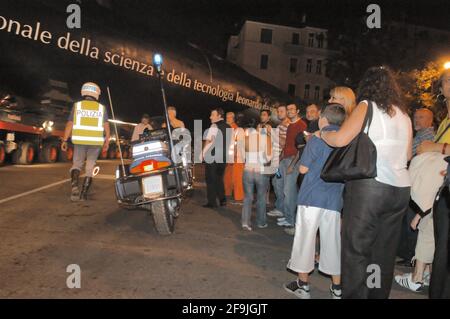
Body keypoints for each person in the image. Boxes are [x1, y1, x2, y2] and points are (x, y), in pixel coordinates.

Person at [321, 66, 413, 299]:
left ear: (367, 85)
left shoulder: (367, 106)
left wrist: (324, 132)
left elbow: (340, 139)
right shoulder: (404, 114)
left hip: (371, 189)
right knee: (382, 252)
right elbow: (409, 155)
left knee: (357, 251)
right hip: (400, 190)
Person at [284, 104, 346, 299]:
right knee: (332, 243)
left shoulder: (316, 138)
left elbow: (303, 170)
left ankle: (303, 285)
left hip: (312, 196)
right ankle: (337, 288)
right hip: (335, 199)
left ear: (323, 119)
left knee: (305, 241)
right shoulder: (346, 140)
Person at [396, 108, 435, 267]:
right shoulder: (420, 135)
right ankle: (408, 254)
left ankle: (411, 256)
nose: (417, 120)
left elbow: (409, 155)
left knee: (413, 220)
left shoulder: (428, 136)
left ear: (430, 121)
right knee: (409, 220)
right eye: (415, 117)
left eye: (421, 117)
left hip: (421, 185)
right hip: (415, 182)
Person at [62, 82, 110, 202]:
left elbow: (69, 124)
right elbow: (107, 127)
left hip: (79, 141)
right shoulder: (101, 108)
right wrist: (107, 142)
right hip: (95, 143)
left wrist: (64, 139)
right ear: (96, 93)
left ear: (84, 91)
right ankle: (83, 194)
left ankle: (74, 189)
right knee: (90, 167)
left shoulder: (77, 106)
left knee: (77, 164)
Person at [276, 104, 307, 230]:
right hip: (285, 159)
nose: (289, 112)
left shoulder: (302, 125)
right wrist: (280, 157)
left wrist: (292, 165)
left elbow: (302, 148)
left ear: (298, 111)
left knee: (289, 190)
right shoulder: (290, 126)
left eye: (292, 109)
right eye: (288, 110)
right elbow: (287, 144)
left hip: (294, 161)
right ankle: (286, 214)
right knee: (281, 187)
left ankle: (290, 220)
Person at [241, 122, 273, 231]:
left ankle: (245, 222)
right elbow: (268, 158)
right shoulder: (266, 138)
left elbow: (242, 156)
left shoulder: (246, 138)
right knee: (261, 197)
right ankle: (261, 222)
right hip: (261, 171)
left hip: (247, 170)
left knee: (248, 197)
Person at [201, 108, 231, 208]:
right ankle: (222, 200)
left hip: (212, 157)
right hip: (223, 158)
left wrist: (202, 154)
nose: (210, 117)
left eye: (212, 115)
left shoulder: (213, 126)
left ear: (219, 116)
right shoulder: (229, 127)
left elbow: (209, 141)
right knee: (219, 179)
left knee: (210, 179)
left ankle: (212, 202)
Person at [267, 105, 290, 218]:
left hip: (282, 159)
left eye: (282, 111)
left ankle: (282, 210)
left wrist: (272, 133)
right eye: (278, 111)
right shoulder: (280, 125)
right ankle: (280, 207)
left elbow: (284, 143)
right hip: (276, 158)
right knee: (276, 184)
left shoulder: (287, 125)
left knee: (280, 184)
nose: (279, 113)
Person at [223, 112, 245, 203]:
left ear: (233, 119)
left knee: (237, 177)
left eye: (230, 117)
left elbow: (237, 144)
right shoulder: (228, 128)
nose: (227, 119)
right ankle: (227, 193)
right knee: (227, 176)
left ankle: (239, 197)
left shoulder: (237, 129)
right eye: (226, 117)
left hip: (236, 157)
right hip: (229, 157)